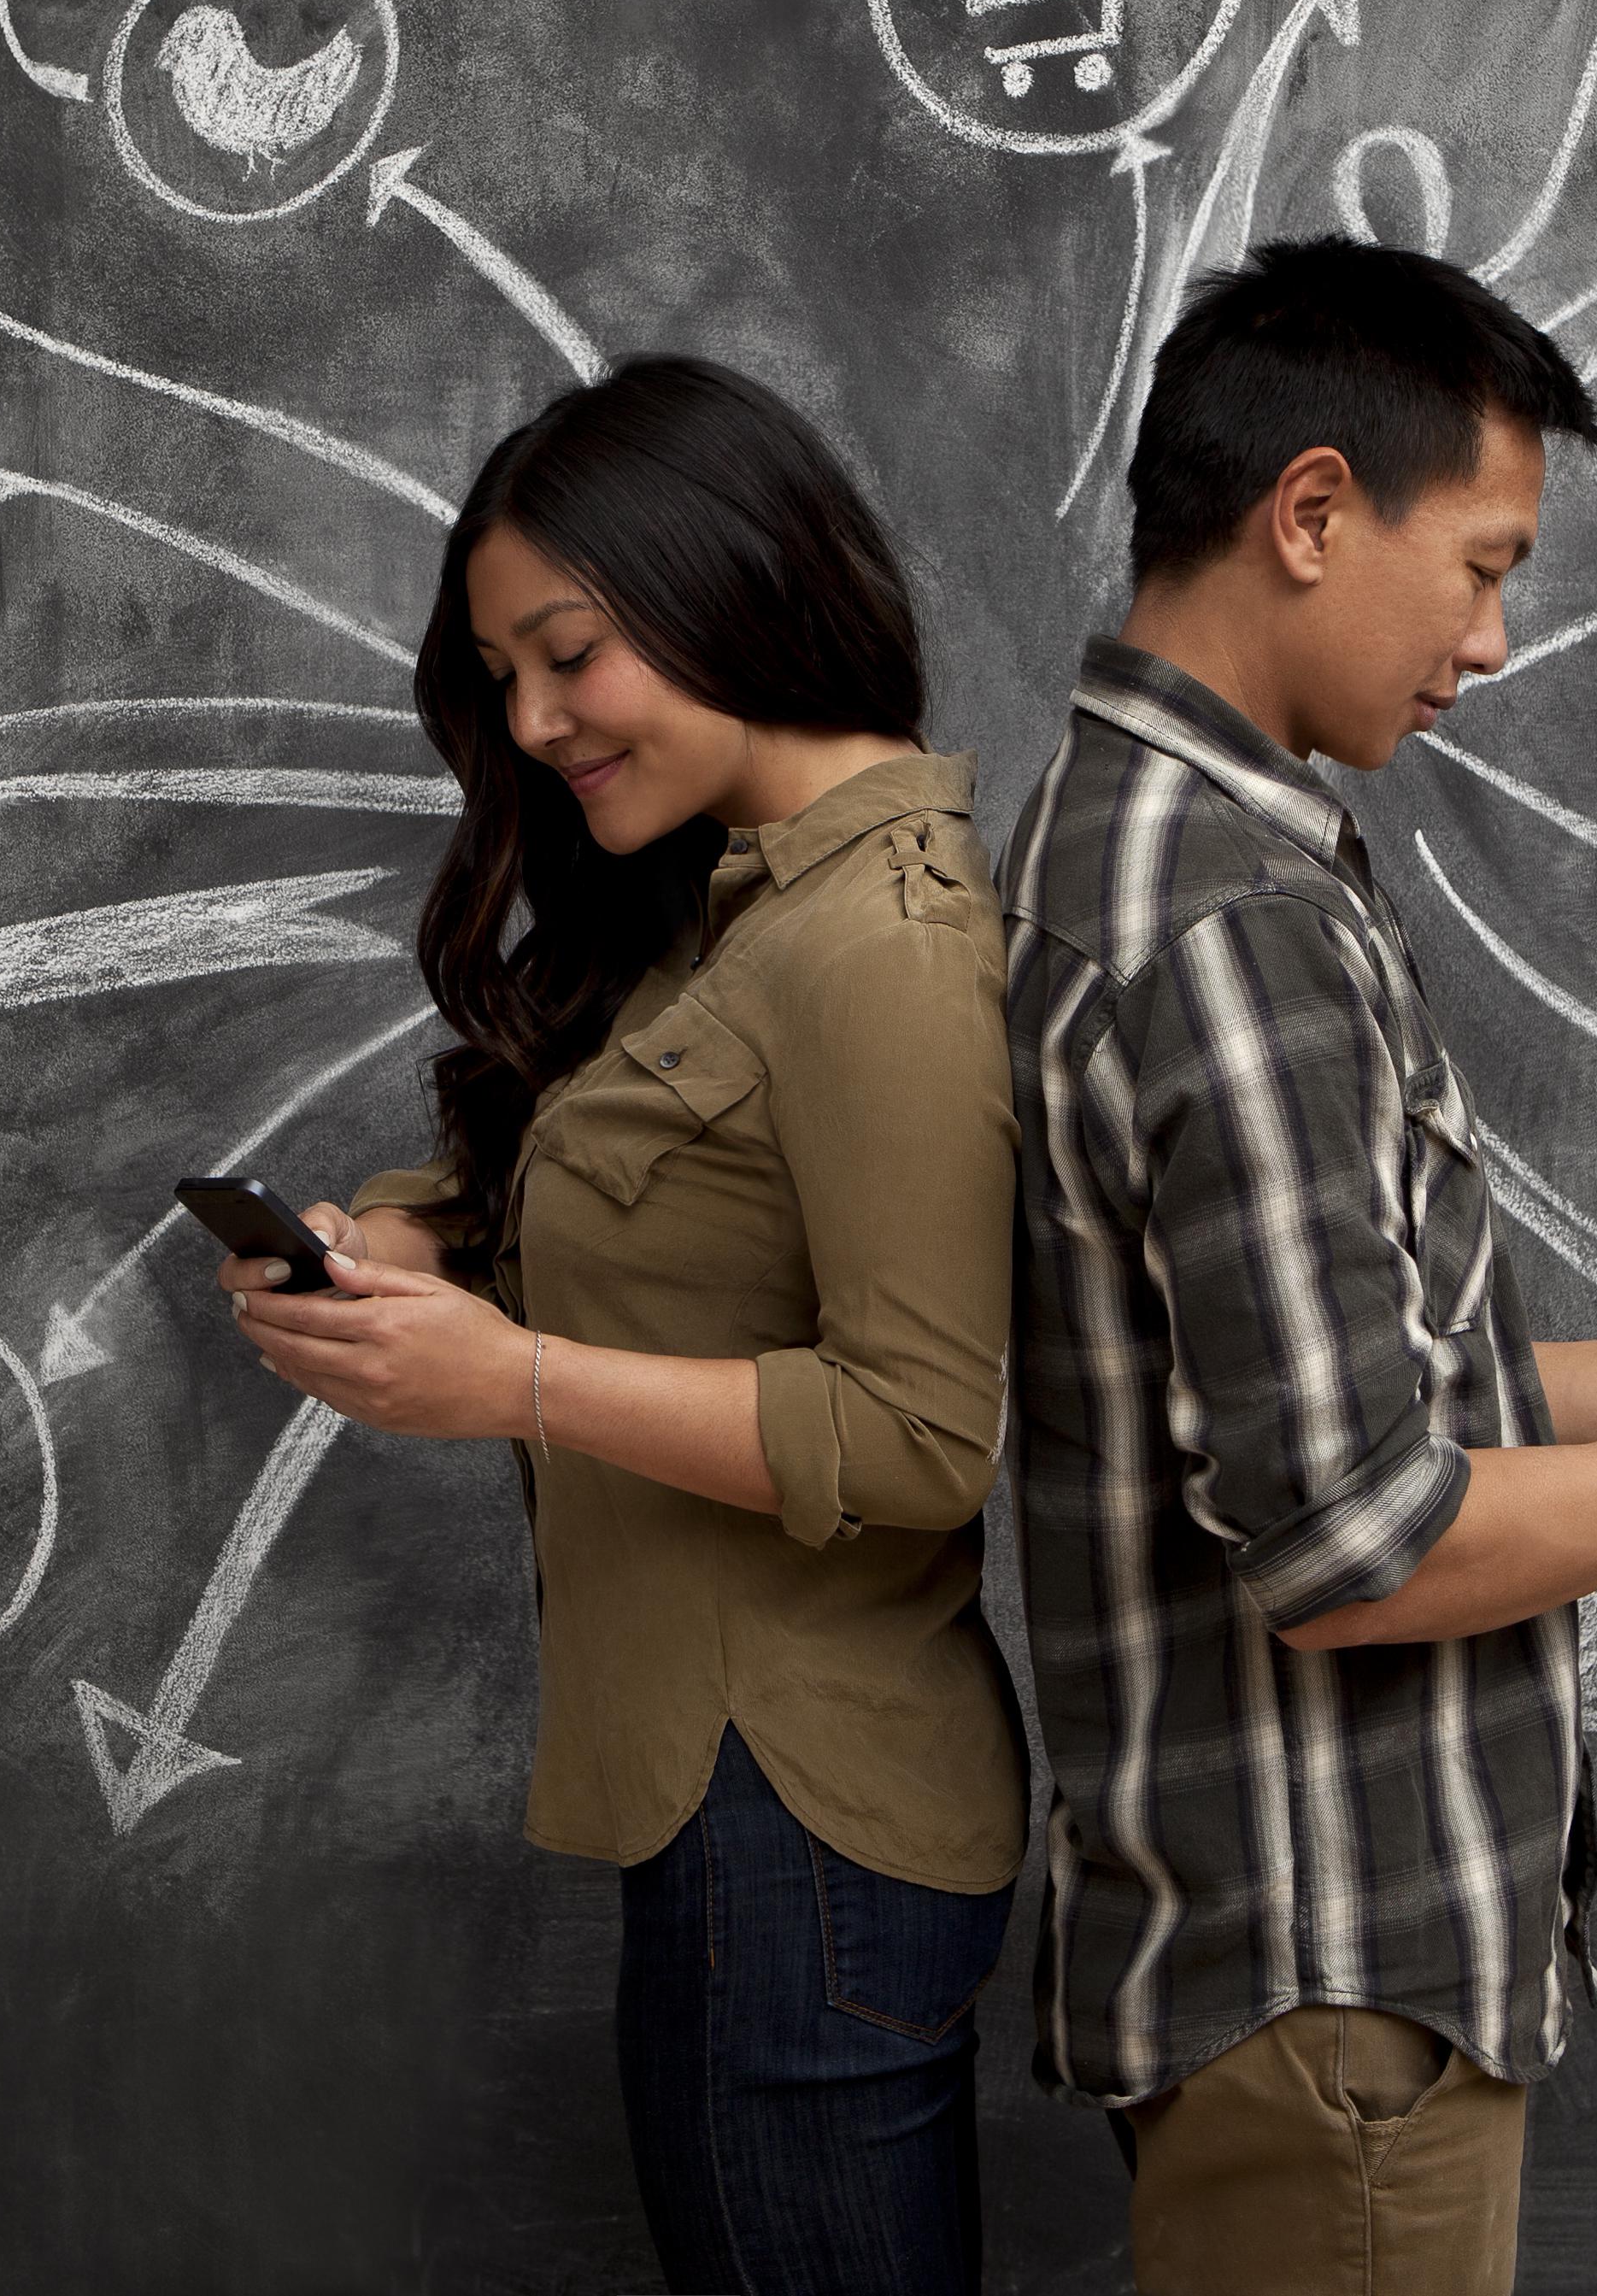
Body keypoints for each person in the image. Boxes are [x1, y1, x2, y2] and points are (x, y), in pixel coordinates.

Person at [1001, 238, 1597, 2294]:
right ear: (1309, 514)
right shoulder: (1222, 923)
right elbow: (1354, 1538)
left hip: (1314, 1980)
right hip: (1331, 1980)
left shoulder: (1187, 848)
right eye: (1477, 561)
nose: (1495, 632)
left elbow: (1351, 1381)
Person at [224, 355, 1026, 2296]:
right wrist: (424, 1247)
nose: (531, 718)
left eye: (566, 653)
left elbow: (926, 1433)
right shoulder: (733, 910)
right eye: (504, 672)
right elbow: (663, 1210)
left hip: (807, 1816)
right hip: (735, 1802)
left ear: (725, 580)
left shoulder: (877, 946)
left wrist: (507, 1377)